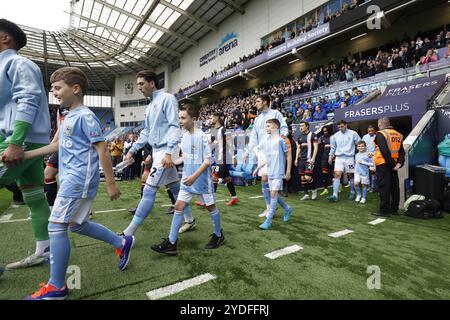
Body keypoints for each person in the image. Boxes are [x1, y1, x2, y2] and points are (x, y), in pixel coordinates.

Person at [24, 67, 134, 300]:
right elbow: (55, 146)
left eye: (57, 88)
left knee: (55, 226)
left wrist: (111, 182)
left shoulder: (85, 115)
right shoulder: (68, 116)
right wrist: (24, 156)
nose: (54, 93)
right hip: (70, 179)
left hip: (79, 179)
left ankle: (56, 287)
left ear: (75, 89)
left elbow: (102, 147)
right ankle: (122, 242)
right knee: (76, 224)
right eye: (52, 89)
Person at [0, 19, 52, 270]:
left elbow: (28, 99)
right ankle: (44, 251)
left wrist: (15, 142)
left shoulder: (17, 62)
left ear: (5, 38)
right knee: (34, 198)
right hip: (22, 139)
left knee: (34, 198)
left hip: (18, 140)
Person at [120, 70, 193, 237]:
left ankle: (128, 233)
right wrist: (132, 149)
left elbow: (175, 127)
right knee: (175, 188)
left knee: (148, 190)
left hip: (166, 150)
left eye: (141, 83)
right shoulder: (149, 106)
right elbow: (146, 132)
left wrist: (168, 153)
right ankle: (189, 220)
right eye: (138, 84)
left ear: (152, 83)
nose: (139, 87)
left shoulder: (167, 99)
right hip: (158, 150)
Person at [151, 104, 225, 255]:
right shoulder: (184, 136)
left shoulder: (202, 137)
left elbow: (207, 161)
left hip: (201, 182)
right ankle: (171, 243)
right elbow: (185, 157)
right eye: (179, 118)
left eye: (183, 118)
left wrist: (194, 176)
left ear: (194, 119)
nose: (180, 121)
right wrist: (172, 161)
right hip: (187, 180)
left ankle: (218, 234)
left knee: (211, 208)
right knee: (178, 206)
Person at [243, 95, 288, 218]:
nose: (255, 103)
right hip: (262, 153)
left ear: (265, 102)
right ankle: (271, 208)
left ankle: (272, 209)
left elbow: (284, 128)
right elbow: (253, 137)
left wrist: (281, 138)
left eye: (258, 101)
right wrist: (247, 151)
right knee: (265, 182)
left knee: (268, 181)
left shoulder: (276, 113)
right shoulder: (257, 119)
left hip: (274, 151)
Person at [253, 119, 292, 230]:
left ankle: (268, 221)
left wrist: (288, 171)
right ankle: (287, 208)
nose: (266, 128)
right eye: (266, 126)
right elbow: (267, 159)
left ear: (275, 128)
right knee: (273, 194)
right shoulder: (268, 141)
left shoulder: (281, 140)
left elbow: (288, 155)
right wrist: (258, 168)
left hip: (278, 172)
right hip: (270, 171)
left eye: (268, 126)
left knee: (273, 194)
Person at [372, 117, 405, 217]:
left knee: (384, 187)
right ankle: (394, 209)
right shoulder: (398, 135)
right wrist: (399, 163)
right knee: (395, 187)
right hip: (394, 165)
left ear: (380, 124)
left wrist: (393, 164)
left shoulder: (381, 134)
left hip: (383, 164)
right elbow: (402, 152)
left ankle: (384, 211)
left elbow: (384, 151)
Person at [207, 112, 239, 206]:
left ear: (217, 118)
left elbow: (230, 143)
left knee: (214, 177)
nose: (210, 119)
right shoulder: (213, 130)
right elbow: (212, 144)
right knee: (227, 178)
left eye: (212, 117)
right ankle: (234, 197)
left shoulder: (224, 129)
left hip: (224, 157)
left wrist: (233, 157)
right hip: (217, 157)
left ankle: (210, 202)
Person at [327, 120, 360, 202]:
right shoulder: (335, 136)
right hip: (339, 158)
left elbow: (359, 144)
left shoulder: (353, 133)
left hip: (349, 158)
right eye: (339, 127)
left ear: (346, 125)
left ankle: (352, 192)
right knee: (337, 175)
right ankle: (335, 195)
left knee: (350, 176)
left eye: (342, 126)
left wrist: (360, 156)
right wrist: (330, 157)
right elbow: (333, 148)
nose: (340, 128)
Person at [295, 121, 319, 201]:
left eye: (302, 125)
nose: (301, 127)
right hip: (302, 160)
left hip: (309, 159)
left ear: (307, 126)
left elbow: (316, 147)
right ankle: (306, 194)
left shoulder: (312, 135)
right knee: (302, 178)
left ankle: (314, 189)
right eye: (300, 126)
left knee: (308, 177)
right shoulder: (299, 136)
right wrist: (296, 159)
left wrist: (313, 158)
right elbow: (298, 148)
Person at [319, 125, 333, 196]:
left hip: (333, 157)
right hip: (324, 157)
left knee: (335, 173)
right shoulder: (321, 138)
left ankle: (338, 186)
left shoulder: (333, 137)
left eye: (326, 131)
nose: (325, 132)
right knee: (324, 173)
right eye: (324, 131)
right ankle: (325, 189)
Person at [362, 125, 377, 192]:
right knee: (367, 172)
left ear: (374, 131)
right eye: (369, 131)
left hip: (374, 156)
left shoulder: (377, 136)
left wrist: (373, 154)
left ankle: (373, 187)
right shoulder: (365, 137)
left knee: (373, 172)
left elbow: (378, 147)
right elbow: (362, 146)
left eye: (372, 131)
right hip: (366, 156)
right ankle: (369, 186)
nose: (370, 132)